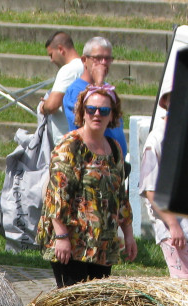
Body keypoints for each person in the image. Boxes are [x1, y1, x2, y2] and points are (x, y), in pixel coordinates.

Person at [36, 84, 137, 288]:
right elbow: (56, 195)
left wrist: (128, 233)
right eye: (91, 109)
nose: (97, 114)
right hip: (72, 242)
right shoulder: (70, 146)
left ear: (112, 116)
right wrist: (62, 236)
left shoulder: (114, 149)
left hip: (102, 244)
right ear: (82, 112)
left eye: (104, 110)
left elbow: (120, 196)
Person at [139, 86, 188, 280]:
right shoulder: (156, 140)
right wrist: (173, 224)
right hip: (173, 226)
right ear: (167, 102)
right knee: (185, 284)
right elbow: (151, 190)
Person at [62, 37, 127, 160]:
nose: (103, 63)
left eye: (107, 59)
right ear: (84, 60)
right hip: (89, 161)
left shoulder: (108, 90)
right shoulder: (74, 91)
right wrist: (99, 82)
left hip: (113, 164)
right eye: (97, 58)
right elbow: (87, 122)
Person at [39, 31, 83, 147]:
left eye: (51, 55)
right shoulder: (85, 67)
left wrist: (44, 106)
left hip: (67, 144)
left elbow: (52, 105)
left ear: (60, 49)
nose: (51, 60)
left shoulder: (68, 70)